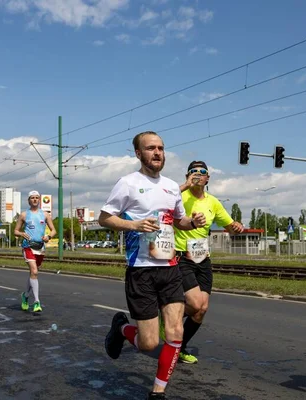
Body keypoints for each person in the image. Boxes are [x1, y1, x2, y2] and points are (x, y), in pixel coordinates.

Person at [98, 131, 207, 400]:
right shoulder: (128, 183)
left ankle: (157, 392)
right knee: (148, 343)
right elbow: (104, 218)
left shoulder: (171, 186)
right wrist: (133, 224)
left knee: (175, 331)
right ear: (138, 153)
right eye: (150, 148)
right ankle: (121, 328)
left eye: (160, 148)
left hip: (170, 268)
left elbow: (178, 220)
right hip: (141, 270)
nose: (157, 153)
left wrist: (192, 222)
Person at [162, 161, 244, 364]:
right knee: (195, 303)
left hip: (203, 259)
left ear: (208, 178)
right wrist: (184, 185)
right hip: (182, 257)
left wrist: (236, 227)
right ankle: (170, 317)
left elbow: (229, 227)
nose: (198, 175)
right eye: (194, 172)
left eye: (202, 172)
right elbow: (161, 203)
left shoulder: (213, 202)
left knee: (201, 310)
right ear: (188, 175)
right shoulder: (179, 196)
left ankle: (179, 347)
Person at [14, 190, 57, 313]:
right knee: (34, 271)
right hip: (28, 246)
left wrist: (48, 237)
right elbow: (15, 231)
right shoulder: (24, 215)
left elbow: (53, 230)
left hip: (40, 247)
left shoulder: (45, 214)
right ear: (28, 200)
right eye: (32, 198)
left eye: (36, 198)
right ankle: (37, 301)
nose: (34, 200)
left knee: (34, 274)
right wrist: (22, 233)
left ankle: (25, 296)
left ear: (39, 200)